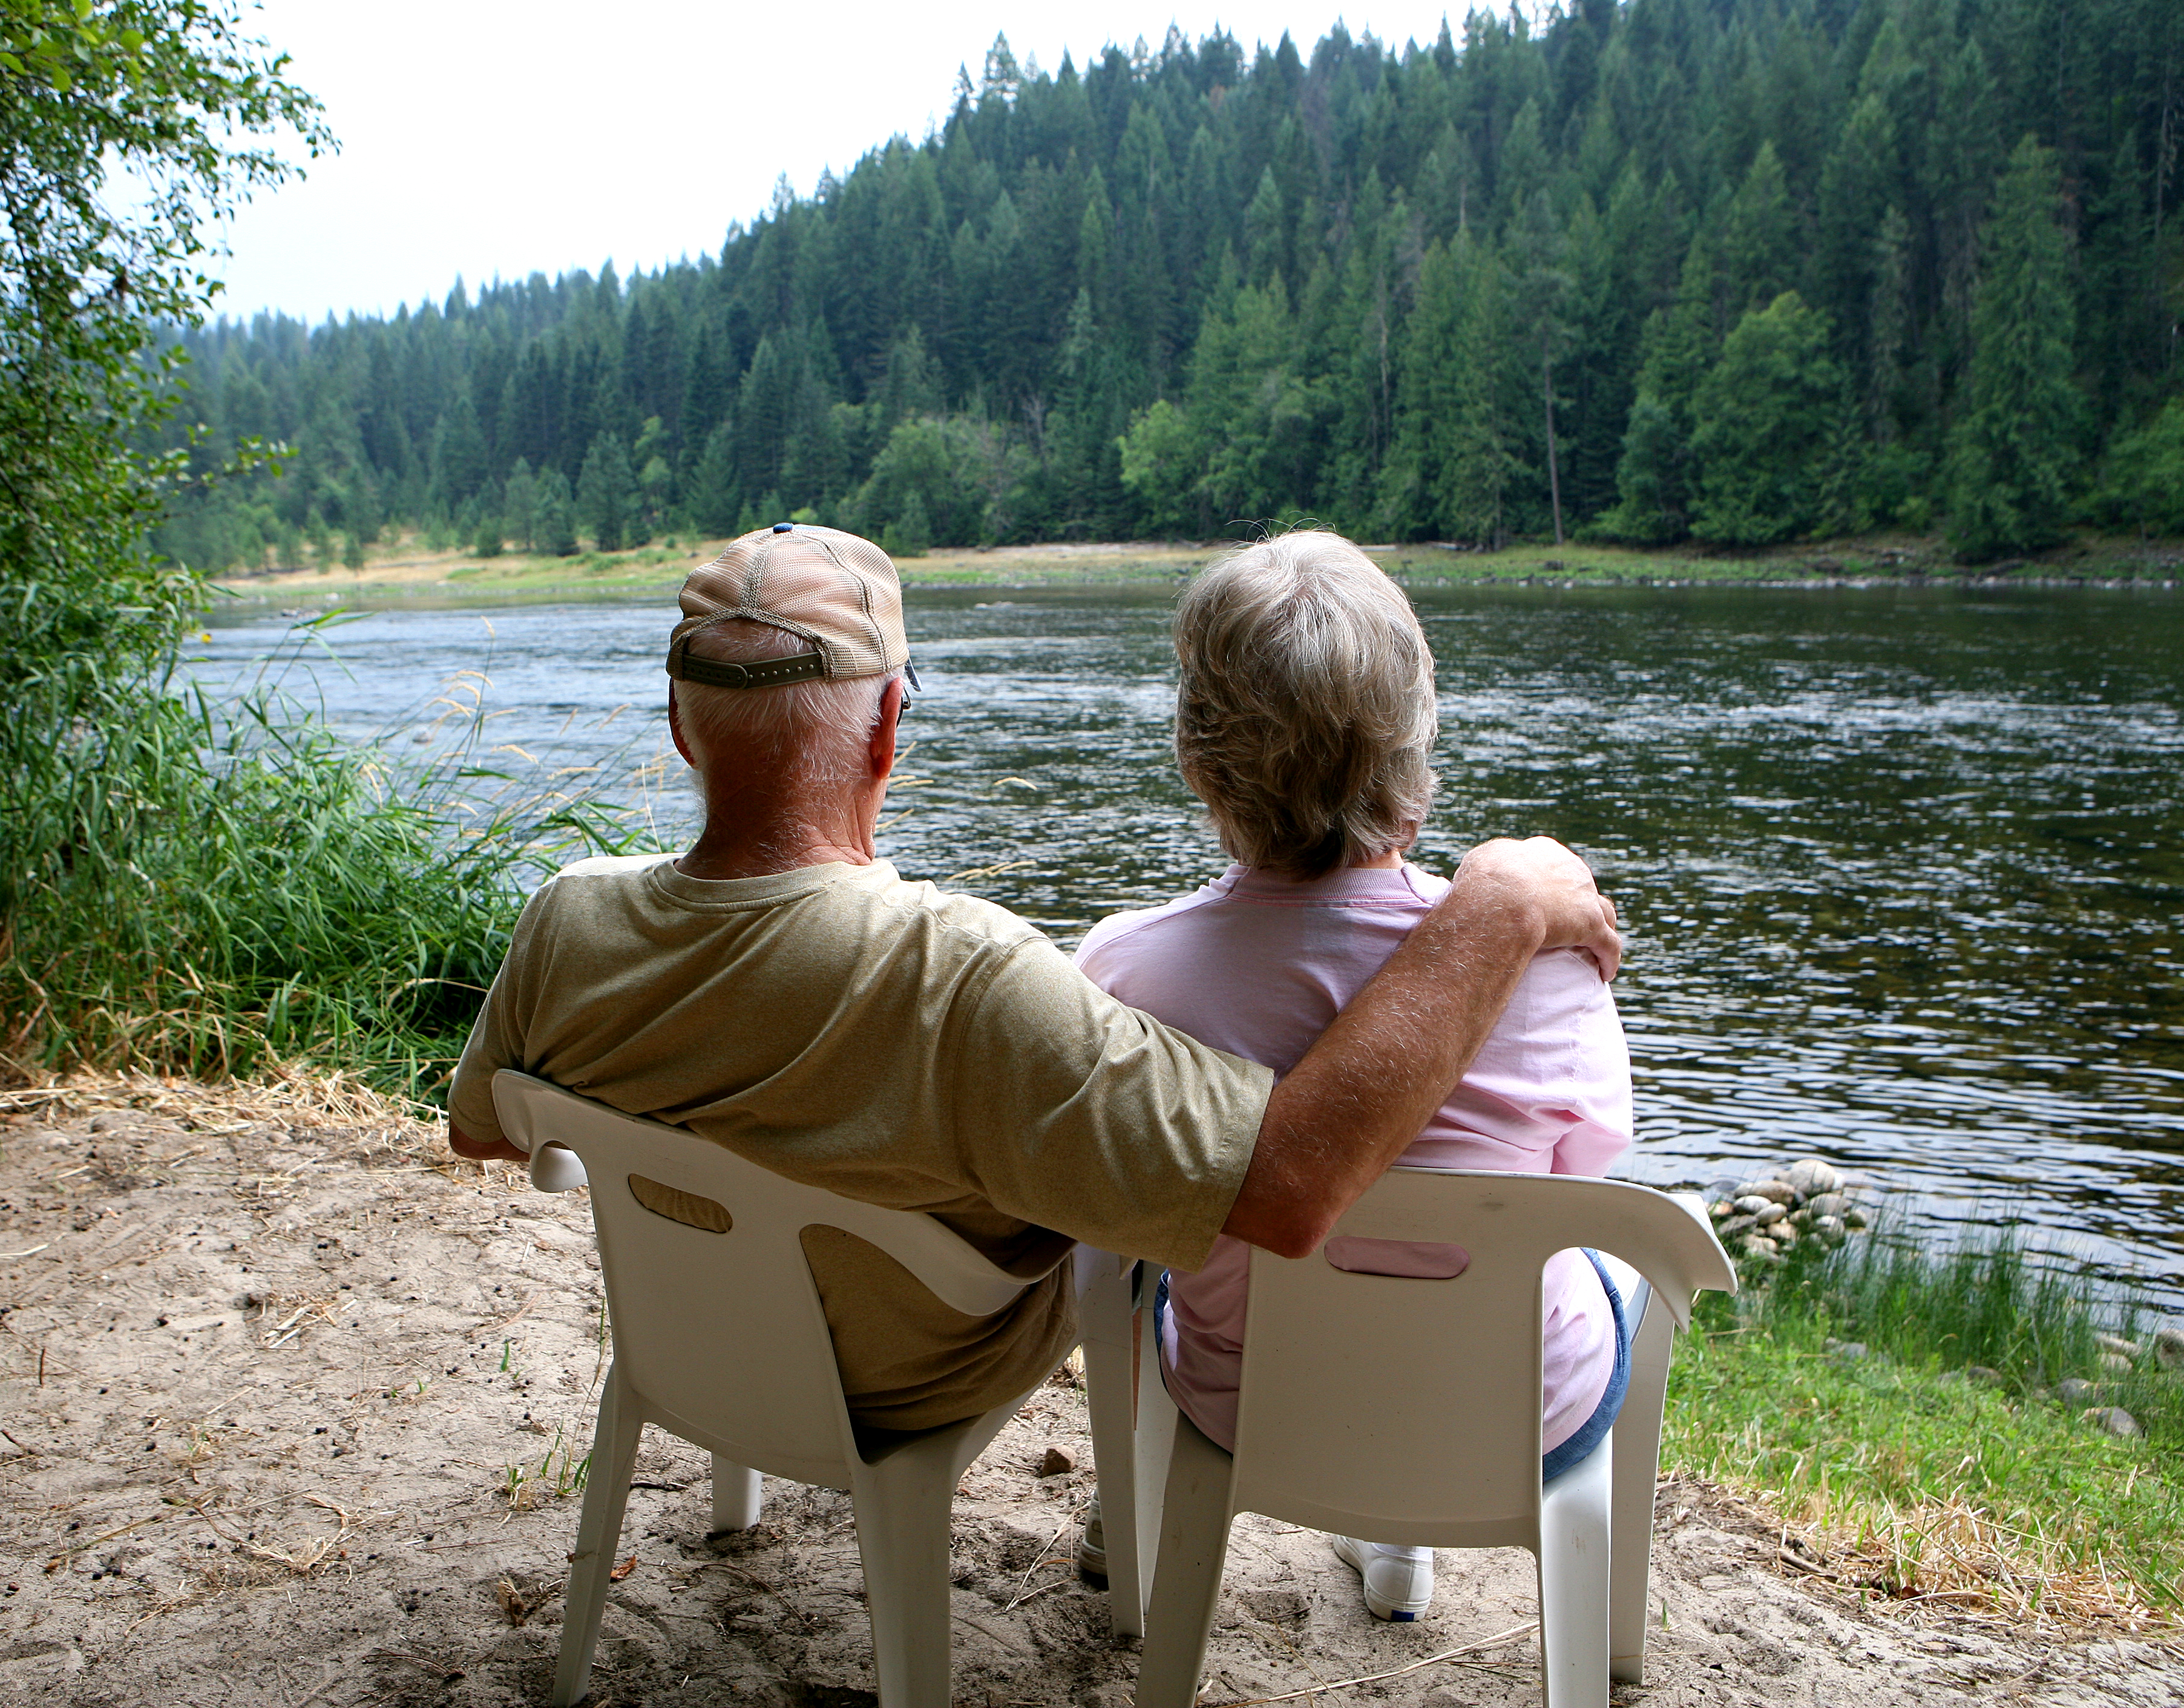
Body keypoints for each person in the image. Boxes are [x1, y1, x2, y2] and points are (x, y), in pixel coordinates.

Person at [446, 522, 1618, 1447]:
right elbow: (1291, 1185)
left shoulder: (565, 917)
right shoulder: (955, 976)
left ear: (680, 727)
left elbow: (491, 1132)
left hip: (687, 1350)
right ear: (885, 729)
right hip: (907, 1380)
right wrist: (1501, 903)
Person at [1074, 530, 1632, 1622]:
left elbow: (1117, 1203)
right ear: (1415, 755)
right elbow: (1581, 1176)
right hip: (1519, 1408)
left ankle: (1129, 1507)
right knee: (1606, 1273)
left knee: (1135, 1269)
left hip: (1251, 1402)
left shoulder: (1126, 971)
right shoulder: (1556, 972)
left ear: (1198, 757)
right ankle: (1404, 1545)